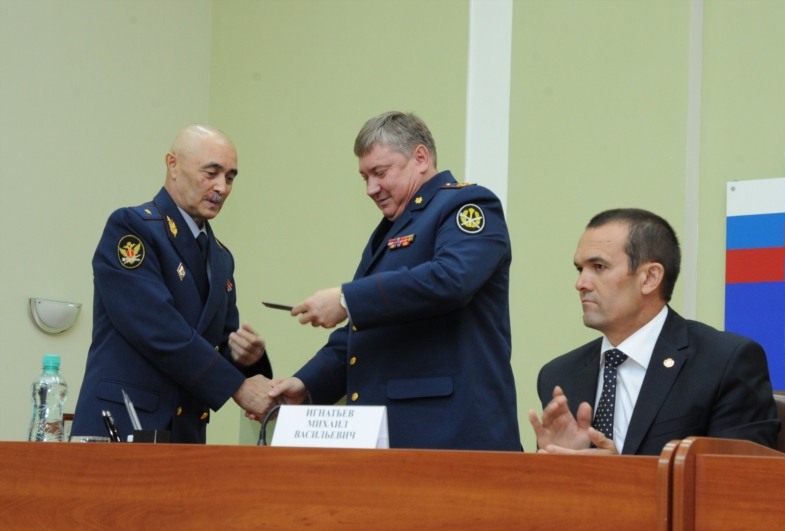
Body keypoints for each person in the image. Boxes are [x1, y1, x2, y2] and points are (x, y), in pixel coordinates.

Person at [268, 111, 521, 450]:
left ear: (420, 158)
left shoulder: (468, 204)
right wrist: (306, 383)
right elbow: (363, 332)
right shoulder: (390, 230)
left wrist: (346, 299)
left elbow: (451, 280)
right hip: (397, 439)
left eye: (380, 173)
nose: (371, 189)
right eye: (364, 177)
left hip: (452, 435)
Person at [72, 124, 274, 443]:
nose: (222, 187)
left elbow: (219, 342)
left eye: (230, 177)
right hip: (124, 428)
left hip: (185, 435)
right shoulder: (133, 228)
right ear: (173, 165)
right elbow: (157, 327)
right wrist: (236, 387)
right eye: (211, 173)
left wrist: (247, 359)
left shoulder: (221, 257)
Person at [530, 208, 780, 455]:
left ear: (650, 278)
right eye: (579, 269)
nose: (581, 283)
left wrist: (616, 472)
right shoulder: (560, 374)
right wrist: (557, 465)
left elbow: (742, 476)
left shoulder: (724, 362)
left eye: (599, 266)